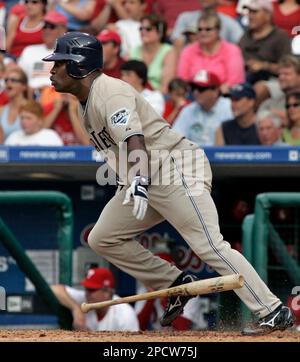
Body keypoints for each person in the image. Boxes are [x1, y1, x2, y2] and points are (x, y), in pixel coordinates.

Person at [43, 31, 294, 336]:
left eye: (59, 63)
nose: (53, 70)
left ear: (79, 66)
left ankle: (272, 310)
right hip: (144, 177)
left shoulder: (110, 92)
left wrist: (137, 178)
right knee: (102, 238)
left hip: (175, 170)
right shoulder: (85, 102)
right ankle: (173, 284)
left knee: (210, 245)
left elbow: (134, 138)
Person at [51, 267, 140, 331]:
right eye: (86, 289)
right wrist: (75, 308)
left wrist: (89, 337)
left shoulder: (125, 314)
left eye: (91, 290)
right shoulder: (85, 300)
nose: (87, 293)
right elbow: (54, 289)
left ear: (107, 292)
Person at [177, 12, 245, 92]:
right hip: (193, 94)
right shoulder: (188, 50)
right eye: (200, 29)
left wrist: (212, 94)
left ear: (218, 30)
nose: (203, 33)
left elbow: (234, 81)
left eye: (208, 29)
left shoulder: (232, 50)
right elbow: (182, 80)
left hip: (223, 96)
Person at [173, 70, 233, 146]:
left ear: (216, 91)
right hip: (194, 156)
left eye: (201, 88)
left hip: (221, 156)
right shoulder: (188, 110)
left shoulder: (230, 107)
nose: (196, 92)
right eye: (193, 88)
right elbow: (175, 141)